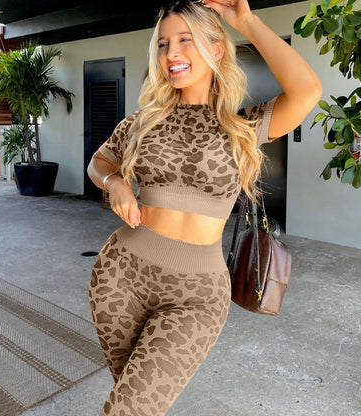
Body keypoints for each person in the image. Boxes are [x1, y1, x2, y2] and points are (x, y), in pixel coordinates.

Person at [87, 0, 322, 414]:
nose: (171, 54)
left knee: (130, 408)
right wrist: (115, 182)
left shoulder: (242, 127)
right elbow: (99, 162)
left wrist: (246, 21)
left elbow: (308, 91)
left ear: (215, 49)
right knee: (134, 403)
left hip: (196, 296)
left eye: (185, 40)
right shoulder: (143, 121)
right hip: (119, 278)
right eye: (163, 44)